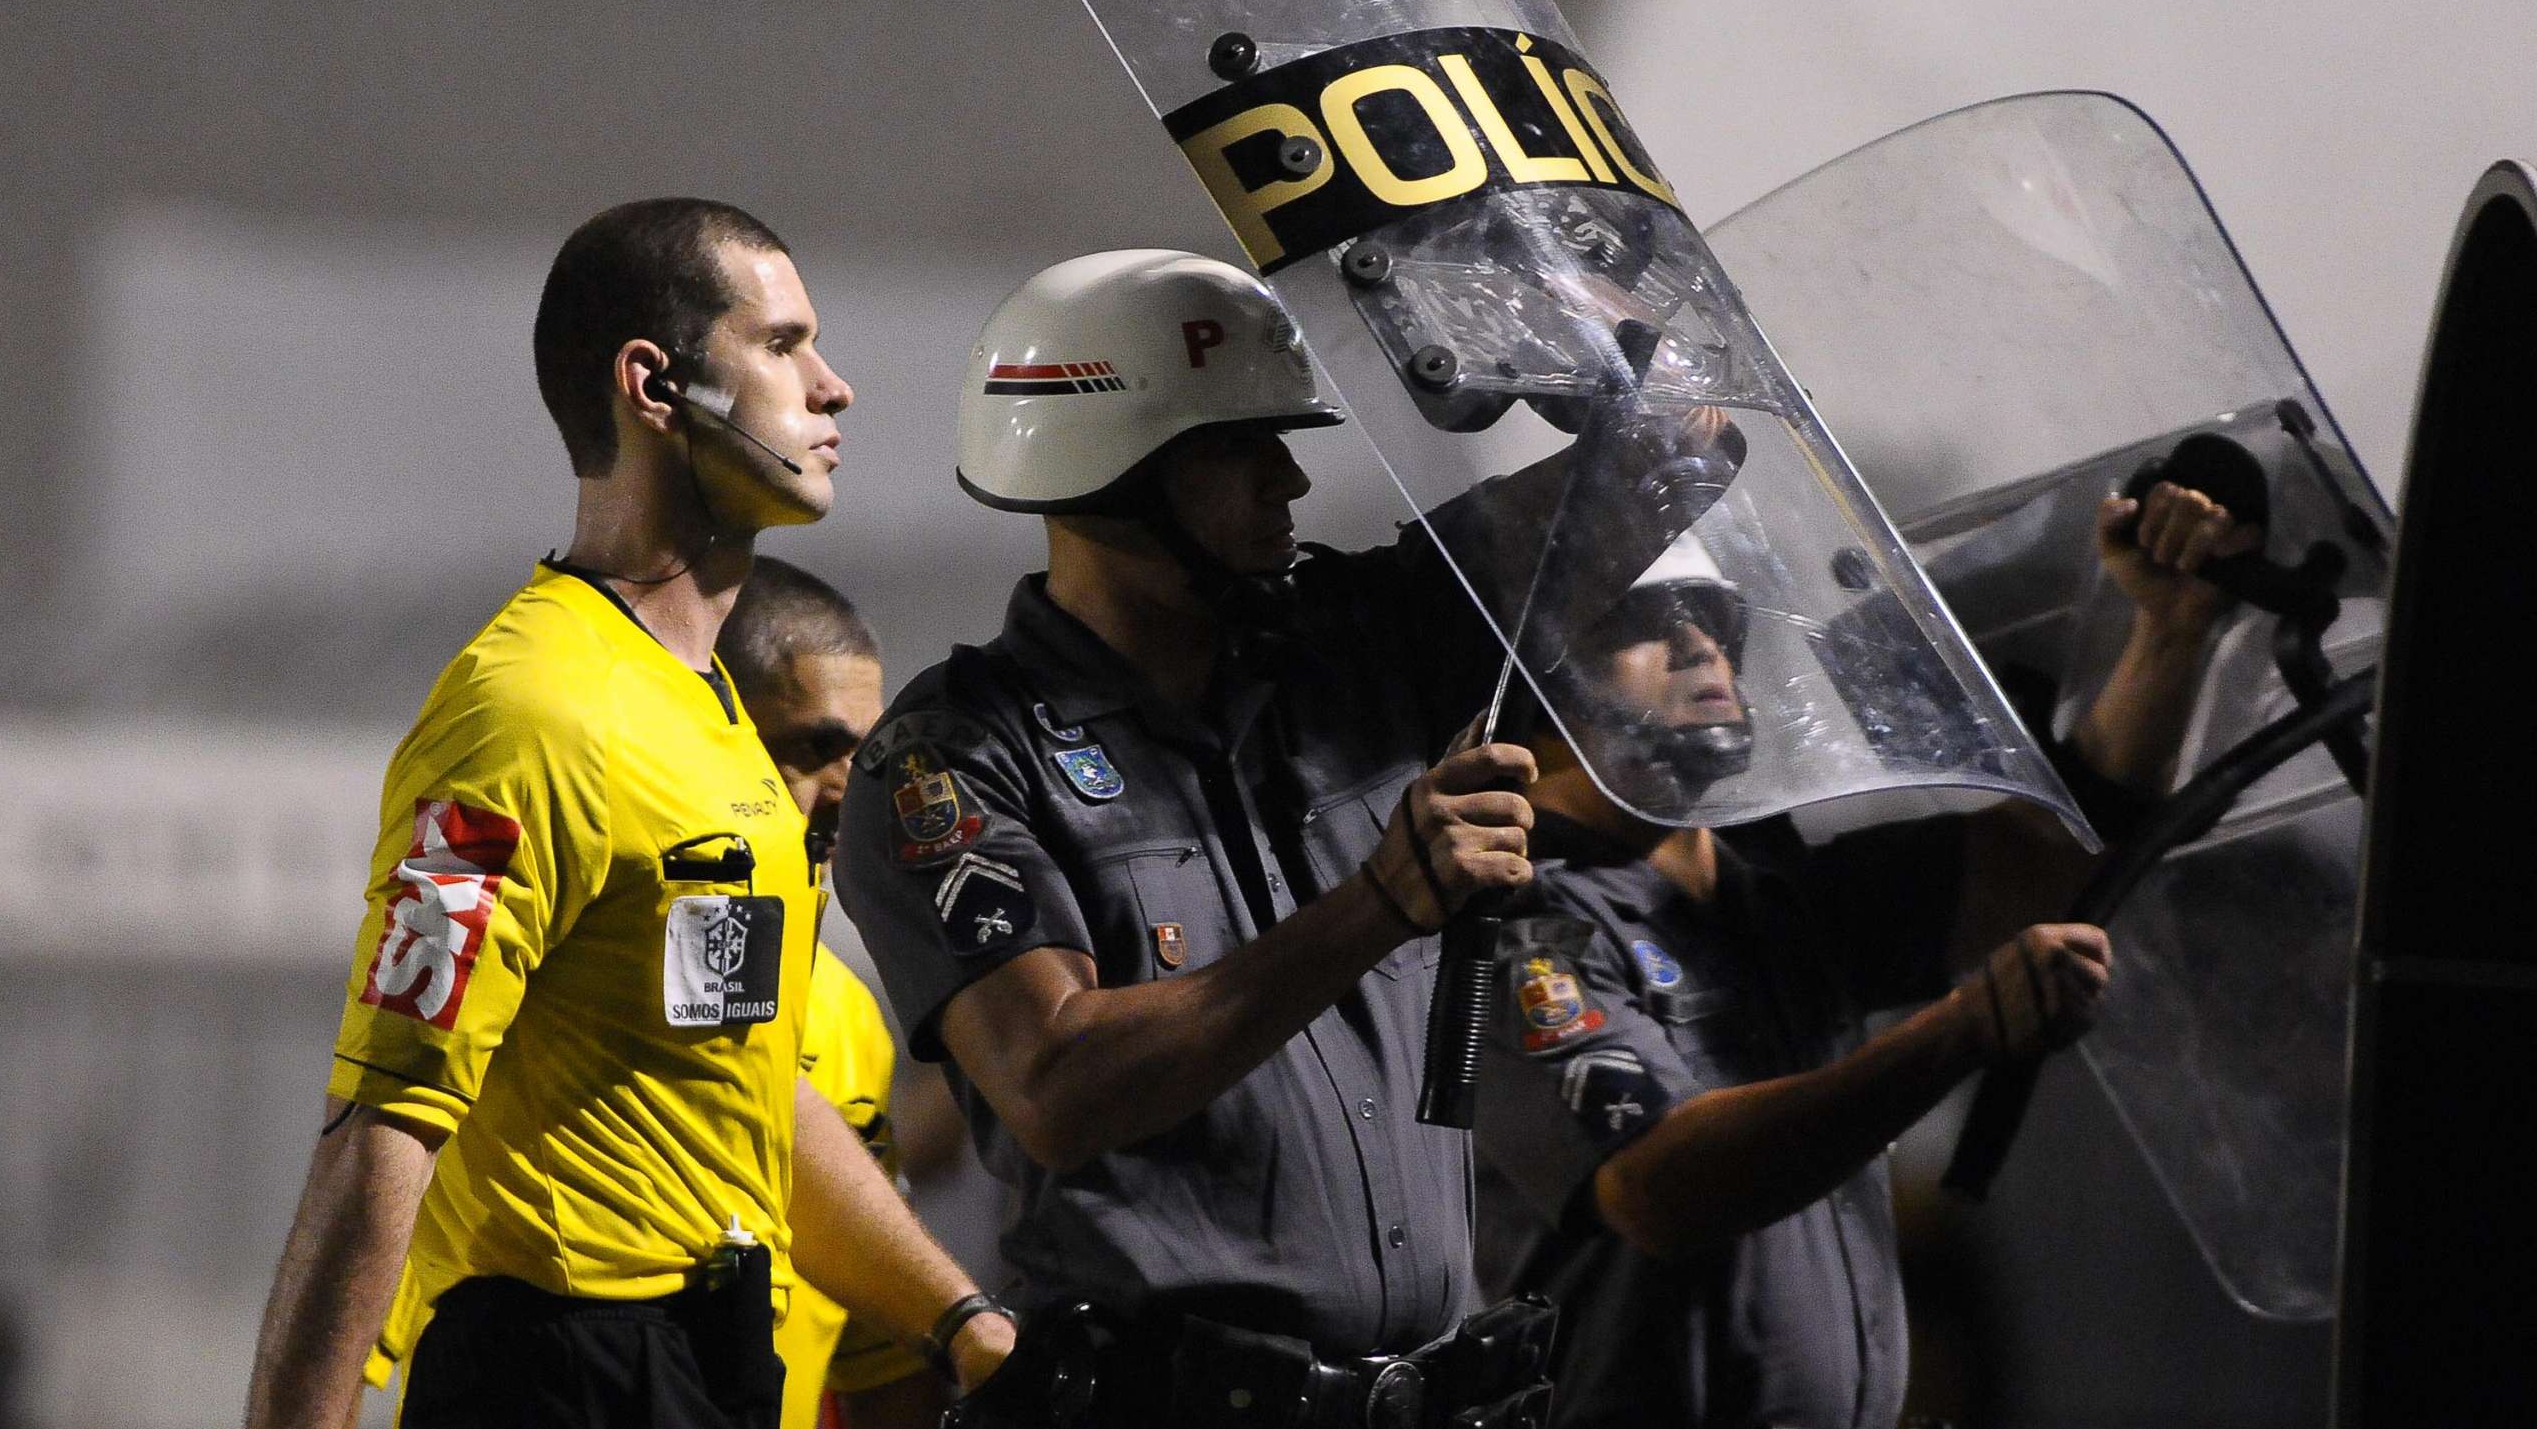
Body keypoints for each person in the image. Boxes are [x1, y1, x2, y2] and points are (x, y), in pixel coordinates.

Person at [836, 249, 1728, 1426]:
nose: (1291, 477)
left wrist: (1543, 298)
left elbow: (1689, 446)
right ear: (1114, 467)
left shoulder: (1364, 641)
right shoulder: (952, 756)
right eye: (1241, 445)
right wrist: (1381, 902)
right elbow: (1055, 1086)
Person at [243, 199, 1011, 1429]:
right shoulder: (531, 708)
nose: (833, 386)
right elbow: (380, 1124)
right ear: (654, 385)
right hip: (563, 1373)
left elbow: (742, 1085)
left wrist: (963, 1324)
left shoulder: (713, 713)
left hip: (708, 1359)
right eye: (781, 344)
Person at [1472, 478, 2260, 1429]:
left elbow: (2051, 861)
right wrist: (1958, 1032)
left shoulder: (1764, 895)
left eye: (1714, 618)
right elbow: (1655, 1185)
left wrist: (2170, 633)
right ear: (1536, 686)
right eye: (1638, 625)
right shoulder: (1515, 922)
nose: (1700, 644)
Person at [713, 555, 960, 1429]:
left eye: (867, 752)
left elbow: (881, 1361)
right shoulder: (579, 986)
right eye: (814, 748)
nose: (852, 791)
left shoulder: (850, 1014)